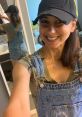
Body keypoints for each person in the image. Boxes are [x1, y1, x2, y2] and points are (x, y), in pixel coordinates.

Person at [4, 0, 82, 117]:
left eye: (59, 22)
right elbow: (18, 107)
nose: (51, 31)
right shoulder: (26, 66)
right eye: (45, 22)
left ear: (73, 25)